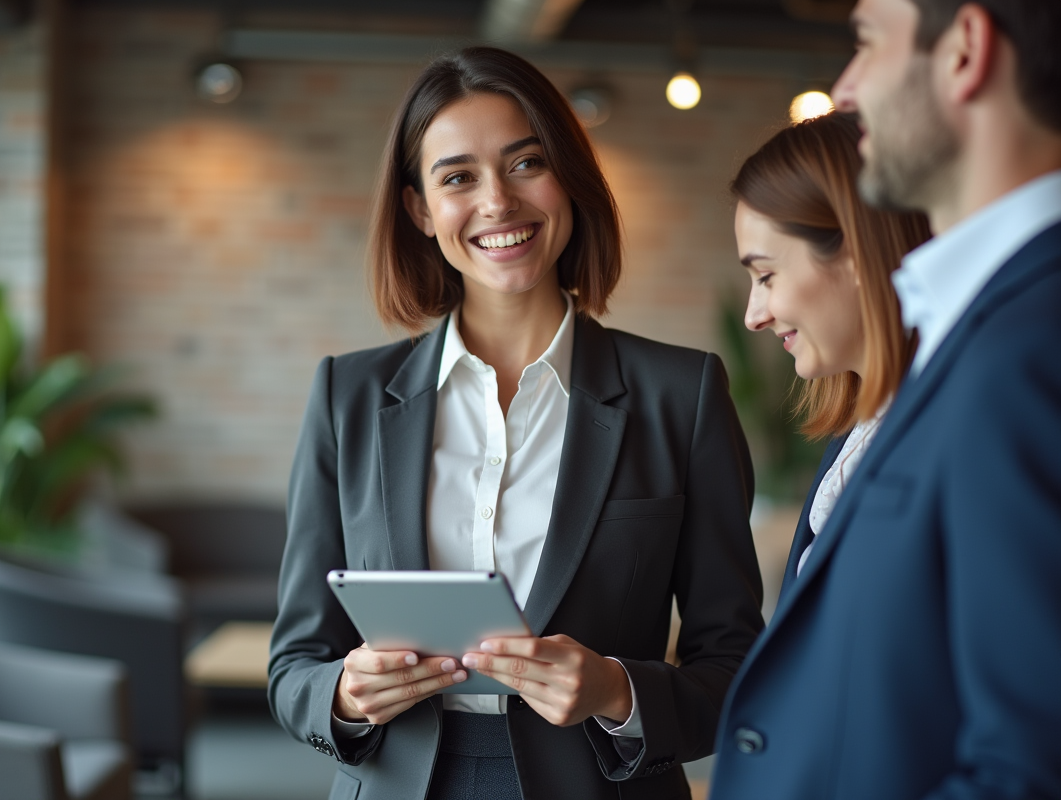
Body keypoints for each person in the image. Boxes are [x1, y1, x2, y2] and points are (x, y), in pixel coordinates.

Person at [268, 47, 765, 800]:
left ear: (569, 176)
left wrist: (616, 692)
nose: (497, 203)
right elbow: (294, 665)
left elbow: (735, 666)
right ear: (420, 211)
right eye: (458, 177)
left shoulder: (681, 393)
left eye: (526, 163)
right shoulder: (349, 396)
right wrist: (341, 694)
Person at [710, 1, 1061, 798]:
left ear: (964, 50)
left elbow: (1028, 763)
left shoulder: (1029, 344)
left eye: (867, 41)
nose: (844, 86)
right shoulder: (965, 341)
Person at [731, 111, 930, 598]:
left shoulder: (957, 427)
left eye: (766, 276)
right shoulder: (857, 436)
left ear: (856, 253)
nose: (753, 316)